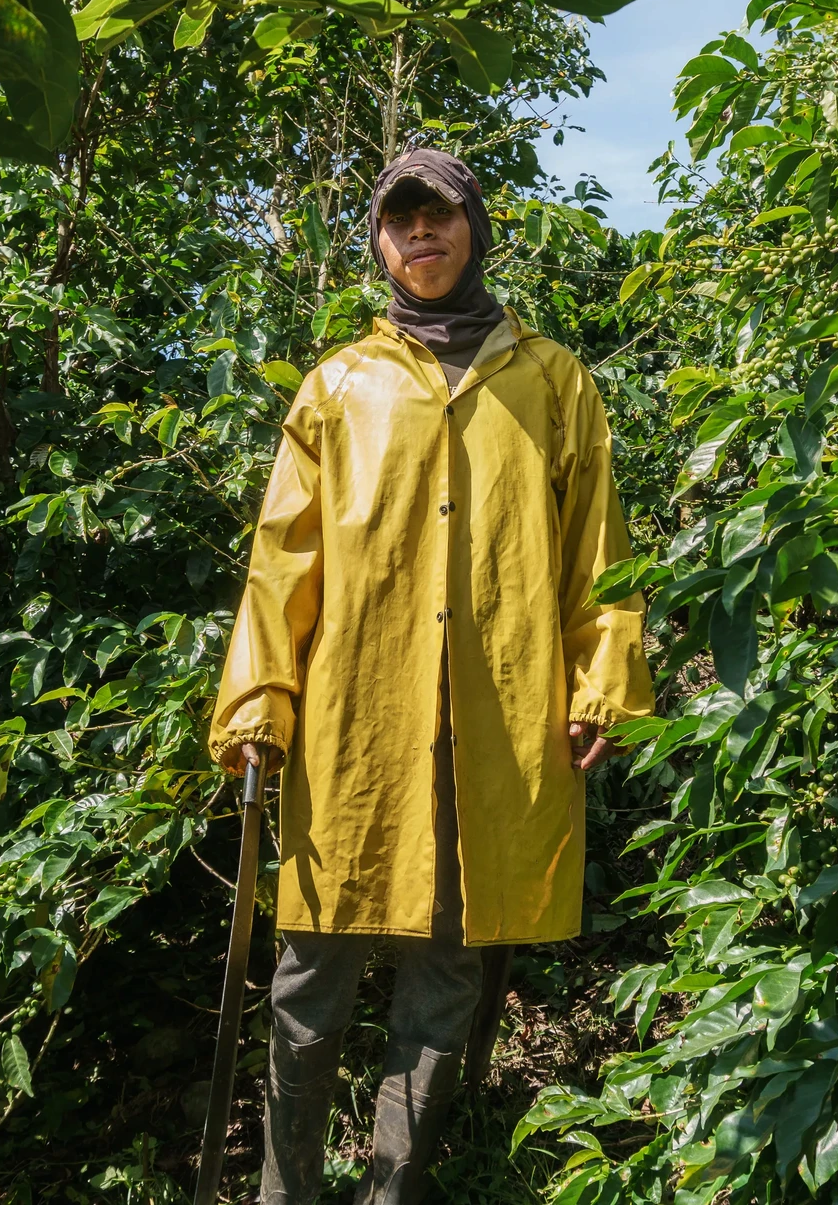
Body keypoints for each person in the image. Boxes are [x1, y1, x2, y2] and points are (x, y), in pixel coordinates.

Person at [209, 147, 652, 1205]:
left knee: (445, 993)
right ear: (377, 241)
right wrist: (258, 697)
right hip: (353, 733)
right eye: (398, 219)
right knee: (307, 986)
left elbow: (599, 550)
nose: (420, 235)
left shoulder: (552, 380)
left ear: (474, 229)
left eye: (438, 215)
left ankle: (392, 1193)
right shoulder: (338, 386)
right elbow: (284, 559)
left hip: (498, 736)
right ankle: (286, 1192)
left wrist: (602, 681)